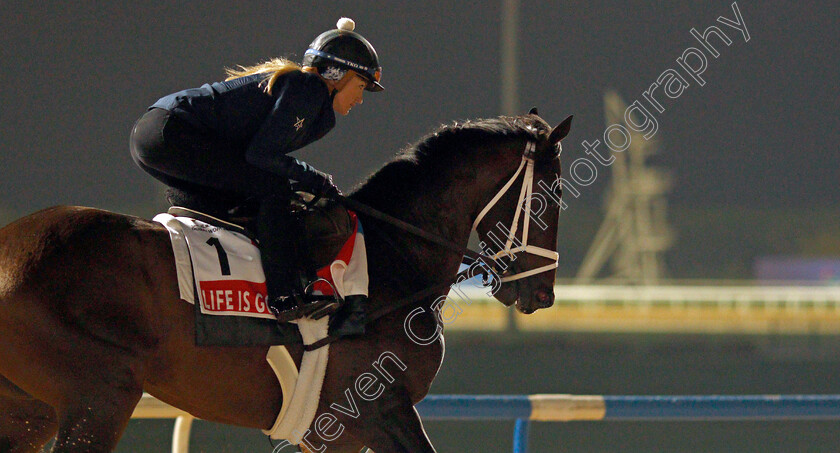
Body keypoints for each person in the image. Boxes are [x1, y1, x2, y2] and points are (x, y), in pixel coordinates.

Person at [130, 17, 381, 334]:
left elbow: (257, 155)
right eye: (360, 86)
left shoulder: (308, 97)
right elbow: (261, 156)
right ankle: (283, 297)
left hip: (153, 135)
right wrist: (316, 179)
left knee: (255, 194)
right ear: (337, 74)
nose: (360, 98)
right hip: (172, 134)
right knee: (273, 188)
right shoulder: (309, 89)